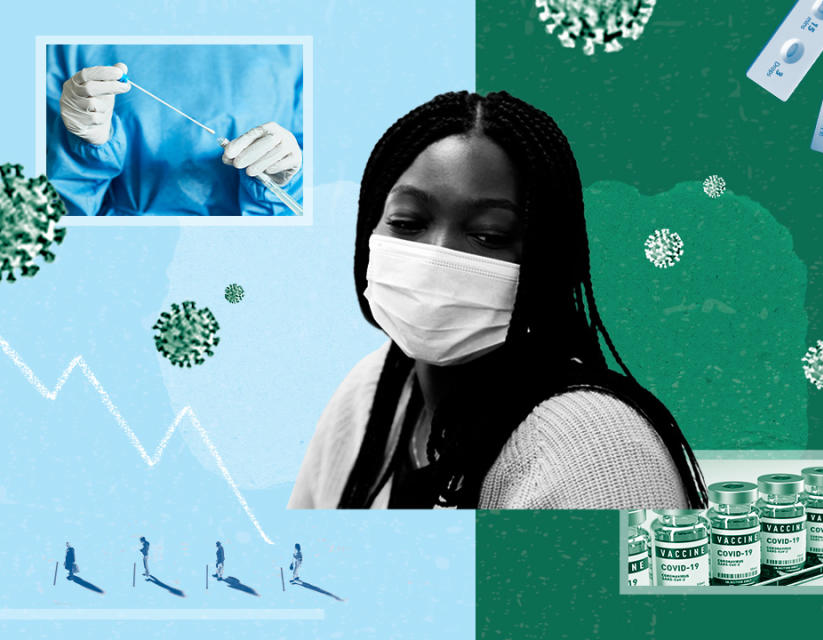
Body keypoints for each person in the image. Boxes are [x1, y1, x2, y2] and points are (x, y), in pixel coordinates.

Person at [288, 91, 707, 510]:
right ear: (368, 231)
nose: (438, 257)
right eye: (407, 222)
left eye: (489, 235)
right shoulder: (372, 391)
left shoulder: (598, 450)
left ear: (545, 259)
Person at [46, 44, 303, 216]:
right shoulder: (67, 46)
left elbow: (329, 208)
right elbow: (44, 219)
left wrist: (286, 177)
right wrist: (81, 148)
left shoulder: (295, 44)